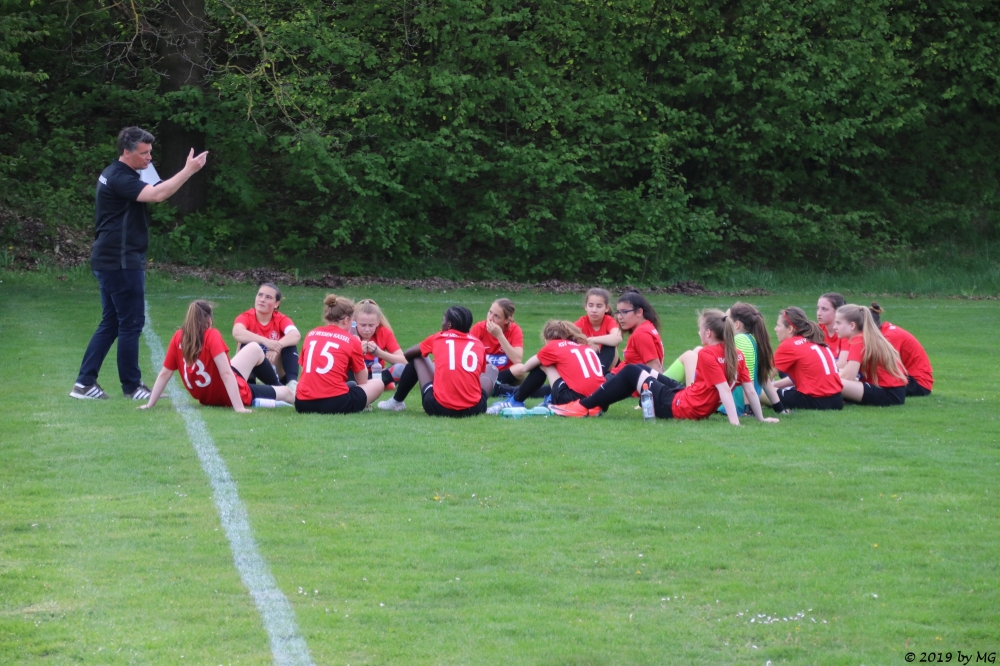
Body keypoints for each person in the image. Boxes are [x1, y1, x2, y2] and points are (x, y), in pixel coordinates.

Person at [72, 126, 208, 400]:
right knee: (131, 323)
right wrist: (189, 171)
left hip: (110, 259)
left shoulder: (129, 171)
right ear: (126, 152)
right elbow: (157, 196)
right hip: (120, 261)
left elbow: (158, 188)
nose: (149, 158)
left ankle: (84, 383)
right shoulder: (120, 177)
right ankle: (132, 387)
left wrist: (182, 172)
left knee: (112, 322)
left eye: (150, 152)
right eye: (144, 153)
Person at [551, 310, 779, 426]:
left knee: (630, 371)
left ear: (708, 333)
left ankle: (582, 406)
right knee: (641, 369)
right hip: (687, 399)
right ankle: (595, 405)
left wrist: (735, 424)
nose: (699, 332)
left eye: (700, 329)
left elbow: (724, 391)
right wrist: (760, 419)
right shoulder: (736, 353)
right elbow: (750, 390)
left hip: (679, 407)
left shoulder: (708, 353)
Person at [140, 300, 294, 412]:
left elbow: (165, 373)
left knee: (254, 348)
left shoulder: (178, 336)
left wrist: (149, 404)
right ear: (208, 320)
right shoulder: (211, 335)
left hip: (207, 396)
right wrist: (239, 408)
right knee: (287, 393)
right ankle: (294, 394)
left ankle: (276, 386)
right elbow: (226, 374)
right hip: (229, 393)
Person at [378, 306, 498, 416]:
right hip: (474, 409)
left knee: (418, 356)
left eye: (443, 320)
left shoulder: (439, 337)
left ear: (449, 325)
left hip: (438, 407)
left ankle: (396, 401)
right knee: (492, 369)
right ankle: (482, 403)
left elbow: (408, 354)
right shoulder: (478, 344)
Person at [487, 320, 607, 414]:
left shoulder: (554, 346)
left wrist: (543, 355)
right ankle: (550, 398)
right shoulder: (583, 346)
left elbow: (525, 368)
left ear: (547, 339)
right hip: (599, 398)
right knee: (563, 368)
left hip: (574, 399)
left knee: (544, 364)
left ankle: (515, 401)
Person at [294, 295, 384, 414]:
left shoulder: (311, 334)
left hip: (302, 403)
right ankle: (360, 404)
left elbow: (304, 370)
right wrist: (359, 349)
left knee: (348, 384)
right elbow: (362, 381)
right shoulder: (351, 340)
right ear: (346, 320)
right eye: (352, 321)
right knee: (378, 384)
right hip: (334, 403)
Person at [769, 307, 844, 410]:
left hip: (814, 400)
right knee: (783, 374)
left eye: (778, 325)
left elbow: (765, 378)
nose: (775, 329)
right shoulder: (814, 338)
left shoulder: (789, 345)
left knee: (760, 392)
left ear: (790, 329)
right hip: (837, 400)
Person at [834, 304, 908, 406]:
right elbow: (849, 373)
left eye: (838, 323)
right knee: (834, 377)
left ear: (852, 325)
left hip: (888, 393)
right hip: (894, 391)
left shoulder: (858, 340)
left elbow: (848, 376)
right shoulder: (864, 337)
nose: (834, 327)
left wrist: (830, 376)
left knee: (830, 382)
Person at [232, 282, 300, 390]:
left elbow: (295, 335)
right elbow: (237, 332)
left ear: (276, 304)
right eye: (260, 295)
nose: (262, 299)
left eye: (268, 297)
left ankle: (292, 383)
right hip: (253, 368)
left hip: (275, 369)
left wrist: (276, 347)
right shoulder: (246, 317)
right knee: (246, 344)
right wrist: (265, 341)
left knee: (290, 345)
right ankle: (248, 383)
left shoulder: (281, 319)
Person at [868, 303, 934, 396]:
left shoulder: (889, 337)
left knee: (869, 388)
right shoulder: (884, 332)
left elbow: (884, 368)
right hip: (910, 378)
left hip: (918, 383)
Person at [470, 298, 526, 394]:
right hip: (484, 374)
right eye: (490, 312)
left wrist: (500, 336)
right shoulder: (479, 328)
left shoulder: (515, 330)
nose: (490, 318)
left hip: (504, 374)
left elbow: (517, 359)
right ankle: (497, 387)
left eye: (496, 316)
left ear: (507, 320)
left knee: (521, 369)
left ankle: (492, 386)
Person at [353, 299, 405, 386]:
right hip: (354, 374)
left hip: (376, 374)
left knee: (402, 368)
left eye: (371, 325)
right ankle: (381, 384)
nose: (367, 329)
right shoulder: (350, 333)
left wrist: (379, 353)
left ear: (377, 322)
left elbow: (403, 361)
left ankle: (375, 384)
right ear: (354, 321)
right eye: (363, 325)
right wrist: (357, 352)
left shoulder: (384, 333)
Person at [611, 289, 664, 373]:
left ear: (639, 312)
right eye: (618, 312)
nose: (619, 317)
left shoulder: (641, 333)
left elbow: (655, 367)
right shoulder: (646, 327)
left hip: (627, 379)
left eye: (624, 312)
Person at [574, 288, 622, 374]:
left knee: (609, 346)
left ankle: (599, 375)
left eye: (599, 306)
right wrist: (587, 345)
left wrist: (590, 340)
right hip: (588, 364)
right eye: (590, 305)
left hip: (610, 367)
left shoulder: (609, 321)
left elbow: (618, 338)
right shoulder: (582, 322)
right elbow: (566, 341)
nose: (594, 310)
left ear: (606, 308)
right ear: (585, 307)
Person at [816, 292, 847, 368]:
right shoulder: (817, 329)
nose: (819, 313)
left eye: (824, 309)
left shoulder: (846, 332)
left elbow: (842, 364)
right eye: (818, 308)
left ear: (837, 312)